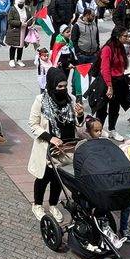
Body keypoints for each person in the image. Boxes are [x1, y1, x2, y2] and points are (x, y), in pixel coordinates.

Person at [27, 67, 84, 222]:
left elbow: (78, 124)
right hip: (48, 147)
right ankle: (37, 205)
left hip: (66, 147)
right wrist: (50, 138)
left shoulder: (71, 99)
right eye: (59, 86)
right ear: (52, 85)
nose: (63, 89)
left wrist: (80, 115)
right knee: (43, 177)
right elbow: (33, 124)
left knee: (58, 178)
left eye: (65, 86)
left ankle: (53, 204)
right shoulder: (40, 100)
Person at [93, 27, 130, 141]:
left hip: (119, 81)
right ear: (117, 36)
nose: (127, 38)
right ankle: (99, 130)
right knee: (102, 108)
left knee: (115, 107)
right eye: (125, 36)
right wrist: (109, 86)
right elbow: (105, 68)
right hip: (107, 81)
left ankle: (112, 129)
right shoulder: (107, 48)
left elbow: (122, 65)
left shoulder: (120, 47)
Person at [5, 0, 27, 66]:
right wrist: (20, 23)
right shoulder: (13, 9)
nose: (21, 4)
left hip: (23, 30)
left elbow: (29, 17)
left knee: (21, 46)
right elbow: (10, 20)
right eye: (20, 3)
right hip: (14, 30)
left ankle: (19, 59)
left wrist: (29, 23)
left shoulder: (26, 9)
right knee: (13, 45)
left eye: (22, 3)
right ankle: (11, 59)